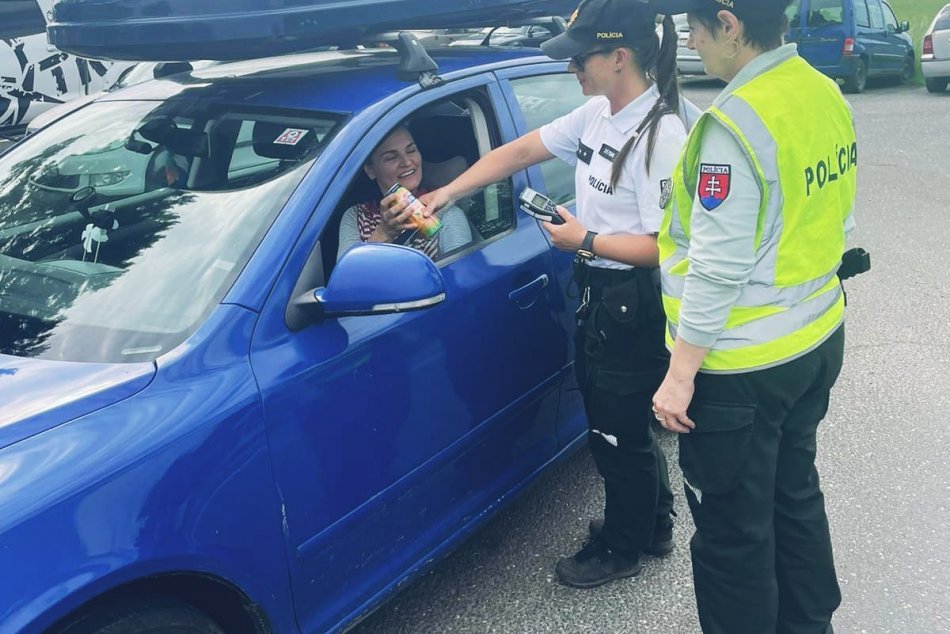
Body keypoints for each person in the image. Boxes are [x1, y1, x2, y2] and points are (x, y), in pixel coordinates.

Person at [424, 0, 696, 588]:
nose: (573, 69)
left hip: (633, 299)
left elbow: (667, 248)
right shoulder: (599, 114)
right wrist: (446, 194)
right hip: (601, 292)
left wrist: (586, 237)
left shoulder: (662, 135)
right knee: (616, 421)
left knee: (615, 429)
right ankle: (651, 521)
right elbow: (520, 152)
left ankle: (623, 548)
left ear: (619, 56)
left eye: (581, 58)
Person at [650, 1, 857, 632]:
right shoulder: (822, 92)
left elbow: (717, 265)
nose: (693, 44)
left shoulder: (732, 126)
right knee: (794, 496)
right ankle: (809, 624)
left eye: (696, 30)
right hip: (816, 339)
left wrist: (680, 374)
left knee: (733, 536)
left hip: (741, 368)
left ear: (730, 23)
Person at [337, 125, 472, 261]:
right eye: (391, 158)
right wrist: (383, 233)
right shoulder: (356, 216)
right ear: (370, 170)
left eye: (411, 150)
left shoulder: (445, 215)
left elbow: (462, 277)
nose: (407, 162)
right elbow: (345, 278)